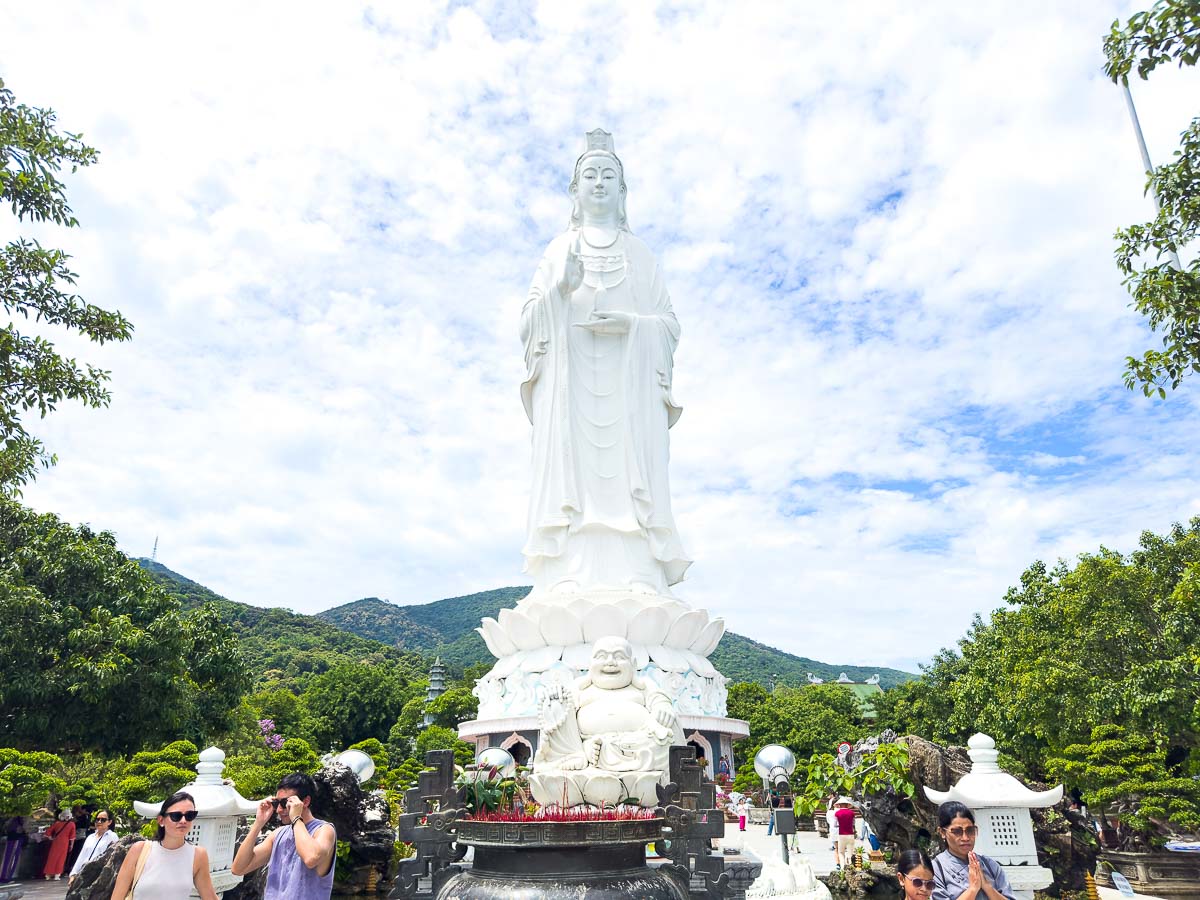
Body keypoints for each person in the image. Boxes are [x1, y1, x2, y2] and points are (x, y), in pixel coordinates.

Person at [520, 129, 691, 598]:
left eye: (608, 175)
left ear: (622, 190)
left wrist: (633, 325)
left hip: (627, 390)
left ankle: (639, 570)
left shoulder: (640, 254)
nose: (598, 183)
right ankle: (566, 573)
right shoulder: (558, 250)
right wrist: (560, 290)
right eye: (589, 175)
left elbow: (669, 323)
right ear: (574, 191)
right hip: (571, 386)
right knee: (574, 479)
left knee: (630, 479)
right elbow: (528, 321)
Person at [231, 773, 336, 900]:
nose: (279, 810)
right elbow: (238, 868)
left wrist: (296, 817)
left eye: (285, 803)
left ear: (306, 801)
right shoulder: (278, 834)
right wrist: (258, 824)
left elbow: (311, 858)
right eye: (276, 803)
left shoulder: (324, 830)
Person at [110, 792, 218, 900]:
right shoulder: (139, 850)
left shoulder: (198, 855)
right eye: (176, 816)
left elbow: (209, 896)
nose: (183, 821)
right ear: (161, 820)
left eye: (189, 816)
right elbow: (117, 897)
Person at [931, 801, 1016, 900]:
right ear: (942, 832)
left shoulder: (990, 865)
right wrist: (973, 889)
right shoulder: (936, 869)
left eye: (970, 830)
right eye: (957, 831)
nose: (965, 838)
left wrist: (987, 887)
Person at [69, 810, 117, 886]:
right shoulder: (90, 837)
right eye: (97, 819)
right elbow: (82, 856)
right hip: (83, 874)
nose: (99, 822)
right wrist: (73, 874)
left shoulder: (112, 836)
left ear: (109, 822)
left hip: (98, 876)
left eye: (103, 820)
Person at [42, 811, 75, 880]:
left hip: (56, 841)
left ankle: (48, 874)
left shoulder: (57, 823)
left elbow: (48, 832)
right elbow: (72, 836)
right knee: (61, 859)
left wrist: (50, 837)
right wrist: (71, 845)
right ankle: (57, 875)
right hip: (65, 843)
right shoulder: (72, 824)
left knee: (52, 857)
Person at [833, 798, 856, 870]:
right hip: (850, 834)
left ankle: (842, 867)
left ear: (839, 805)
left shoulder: (837, 813)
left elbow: (835, 824)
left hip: (841, 834)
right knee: (850, 852)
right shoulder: (852, 813)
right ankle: (850, 867)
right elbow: (853, 823)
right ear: (847, 805)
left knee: (841, 852)